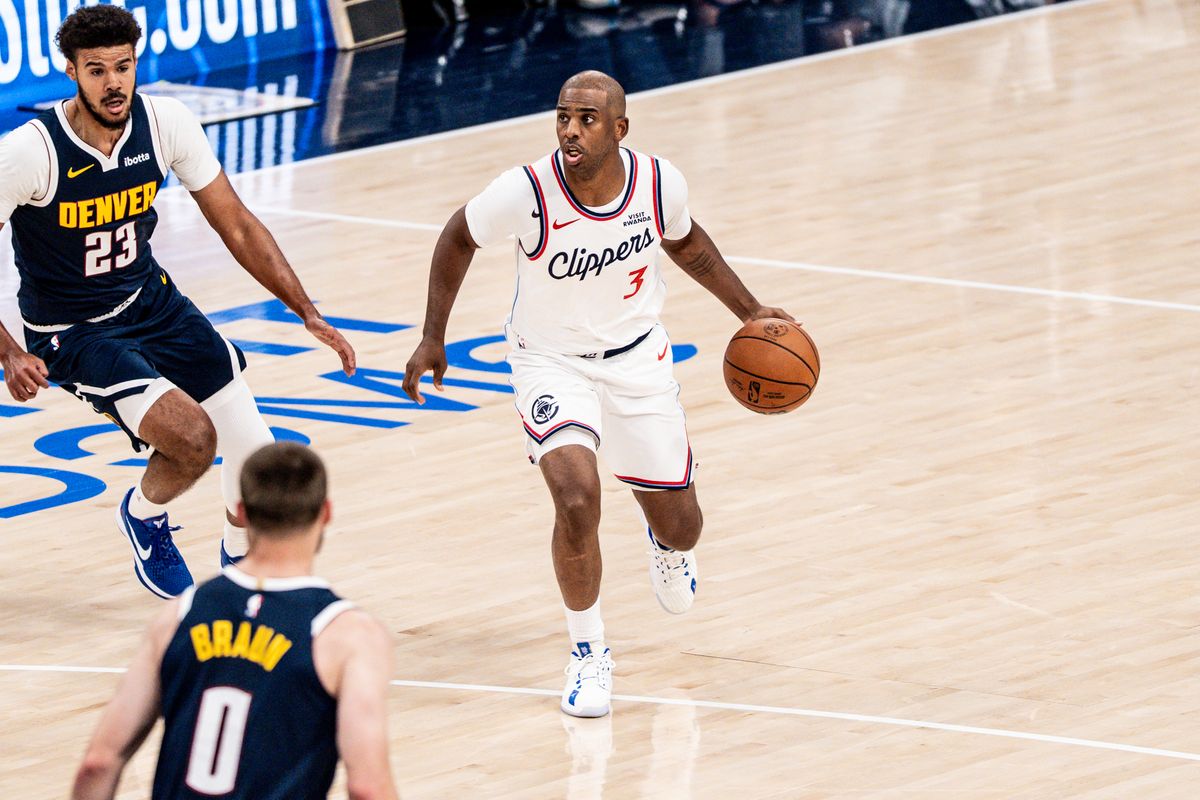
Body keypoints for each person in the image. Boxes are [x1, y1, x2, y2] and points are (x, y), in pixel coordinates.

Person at [402, 70, 794, 718]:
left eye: (586, 119)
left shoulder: (659, 182)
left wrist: (749, 311)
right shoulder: (525, 191)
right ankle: (589, 652)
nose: (570, 131)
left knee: (685, 525)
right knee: (577, 498)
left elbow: (688, 242)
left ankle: (666, 543)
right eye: (562, 117)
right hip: (550, 362)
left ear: (619, 128)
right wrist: (431, 337)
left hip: (638, 360)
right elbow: (457, 236)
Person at [0, 5, 356, 598]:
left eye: (123, 66)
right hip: (73, 329)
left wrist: (306, 309)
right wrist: (9, 351)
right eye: (96, 71)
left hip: (151, 302)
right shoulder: (29, 154)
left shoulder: (165, 123)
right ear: (71, 72)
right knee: (193, 440)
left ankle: (240, 578)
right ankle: (143, 514)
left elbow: (236, 224)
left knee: (256, 462)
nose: (113, 83)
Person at [71, 442, 399, 800]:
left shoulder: (178, 615)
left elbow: (98, 763)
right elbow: (367, 787)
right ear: (326, 513)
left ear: (242, 512)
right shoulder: (347, 635)